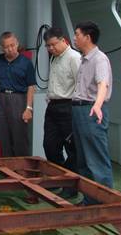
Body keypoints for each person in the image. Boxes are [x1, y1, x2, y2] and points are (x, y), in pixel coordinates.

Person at [71, 21, 113, 205]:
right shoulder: (84, 59)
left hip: (91, 110)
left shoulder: (99, 59)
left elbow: (103, 84)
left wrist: (97, 105)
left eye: (77, 34)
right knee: (83, 159)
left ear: (87, 37)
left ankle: (104, 202)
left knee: (96, 158)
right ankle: (90, 199)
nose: (74, 38)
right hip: (79, 110)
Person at [43, 27, 81, 197]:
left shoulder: (74, 58)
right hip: (53, 106)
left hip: (68, 106)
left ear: (63, 40)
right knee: (50, 145)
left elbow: (81, 84)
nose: (51, 48)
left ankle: (70, 187)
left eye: (53, 44)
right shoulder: (54, 58)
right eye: (48, 46)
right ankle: (56, 179)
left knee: (72, 148)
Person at [0, 32, 36, 156]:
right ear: (2, 48)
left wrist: (29, 108)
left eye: (12, 45)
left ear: (17, 44)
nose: (10, 49)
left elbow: (31, 86)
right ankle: (8, 165)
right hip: (1, 99)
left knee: (19, 136)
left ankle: (22, 166)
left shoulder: (26, 62)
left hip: (19, 99)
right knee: (4, 136)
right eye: (6, 47)